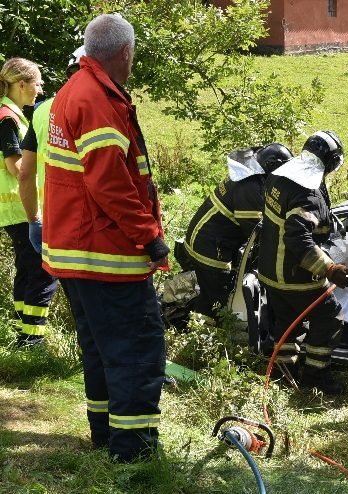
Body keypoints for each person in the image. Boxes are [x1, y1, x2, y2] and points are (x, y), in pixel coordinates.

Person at [42, 13, 168, 462]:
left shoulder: (73, 90)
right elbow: (110, 184)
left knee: (100, 352)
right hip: (105, 253)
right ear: (125, 53)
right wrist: (150, 236)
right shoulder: (97, 99)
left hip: (75, 251)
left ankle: (105, 436)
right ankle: (133, 453)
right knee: (136, 351)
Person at [258, 130, 348, 395]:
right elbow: (298, 240)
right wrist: (330, 268)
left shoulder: (281, 177)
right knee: (330, 318)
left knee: (287, 322)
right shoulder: (308, 195)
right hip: (294, 276)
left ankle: (283, 372)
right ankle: (316, 376)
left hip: (270, 273)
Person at [180, 144, 293, 319]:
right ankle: (208, 334)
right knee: (216, 298)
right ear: (272, 166)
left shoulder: (249, 175)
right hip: (210, 249)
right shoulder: (250, 186)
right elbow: (256, 230)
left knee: (210, 293)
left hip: (206, 239)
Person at [0, 57, 58, 346]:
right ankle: (32, 339)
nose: (41, 87)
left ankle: (21, 333)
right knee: (43, 268)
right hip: (20, 208)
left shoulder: (15, 114)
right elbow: (17, 169)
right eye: (37, 82)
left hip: (17, 208)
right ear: (21, 84)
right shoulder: (7, 117)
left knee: (27, 267)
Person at [19, 46, 86, 255]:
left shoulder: (41, 111)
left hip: (52, 219)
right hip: (92, 226)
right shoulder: (105, 108)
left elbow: (25, 173)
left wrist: (34, 221)